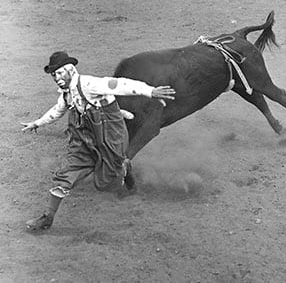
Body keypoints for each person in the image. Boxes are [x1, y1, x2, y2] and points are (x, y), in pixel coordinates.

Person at [22, 51, 175, 231]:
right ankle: (48, 217)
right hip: (84, 142)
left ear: (70, 70)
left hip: (110, 137)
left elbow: (120, 85)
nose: (57, 77)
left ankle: (124, 167)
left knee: (105, 182)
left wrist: (150, 91)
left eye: (60, 72)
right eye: (54, 75)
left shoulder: (89, 84)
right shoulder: (66, 94)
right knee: (66, 175)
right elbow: (57, 111)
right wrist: (37, 123)